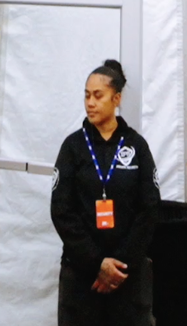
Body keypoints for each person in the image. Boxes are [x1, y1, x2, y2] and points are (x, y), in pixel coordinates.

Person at [51, 59, 160, 325]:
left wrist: (119, 264)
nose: (90, 102)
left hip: (128, 275)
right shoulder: (73, 147)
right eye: (87, 95)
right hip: (82, 274)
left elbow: (150, 209)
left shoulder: (136, 146)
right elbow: (61, 211)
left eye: (98, 96)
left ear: (117, 98)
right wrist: (97, 262)